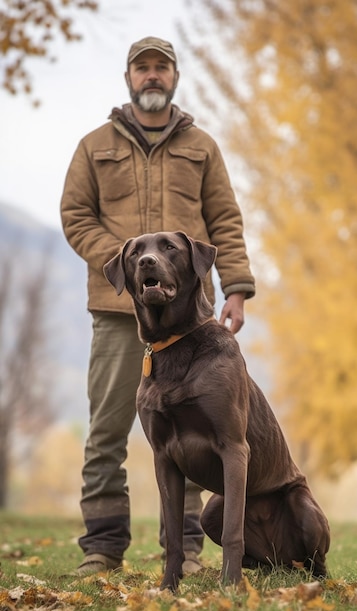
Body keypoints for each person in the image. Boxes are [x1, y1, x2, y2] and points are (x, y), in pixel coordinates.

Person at [60, 36, 255, 576]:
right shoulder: (93, 145)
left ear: (174, 77)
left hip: (192, 324)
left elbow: (225, 222)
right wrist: (123, 266)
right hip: (119, 312)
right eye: (142, 67)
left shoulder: (203, 147)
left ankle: (187, 552)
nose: (152, 76)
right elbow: (76, 216)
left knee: (194, 436)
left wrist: (235, 286)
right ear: (128, 77)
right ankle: (102, 548)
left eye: (161, 68)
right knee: (106, 430)